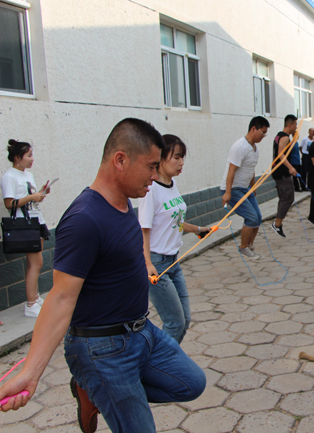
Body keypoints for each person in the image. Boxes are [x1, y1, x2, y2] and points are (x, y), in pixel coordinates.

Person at [0, 119, 206, 432]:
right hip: (102, 348)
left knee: (191, 383)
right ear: (120, 160)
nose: (155, 175)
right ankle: (98, 384)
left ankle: (96, 390)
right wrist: (31, 371)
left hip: (142, 331)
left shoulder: (125, 204)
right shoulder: (84, 219)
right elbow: (60, 298)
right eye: (151, 166)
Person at [139, 135, 208, 344]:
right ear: (160, 158)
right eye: (176, 157)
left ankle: (164, 365)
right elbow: (143, 230)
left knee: (184, 320)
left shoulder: (172, 185)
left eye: (182, 158)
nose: (181, 163)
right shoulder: (150, 190)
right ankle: (157, 366)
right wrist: (148, 263)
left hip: (174, 262)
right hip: (157, 266)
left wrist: (197, 229)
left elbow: (174, 221)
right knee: (175, 323)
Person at [1, 140, 51, 318]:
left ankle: (35, 298)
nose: (32, 159)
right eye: (29, 155)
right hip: (25, 225)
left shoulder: (27, 175)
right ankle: (30, 304)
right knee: (37, 263)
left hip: (37, 221)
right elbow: (9, 204)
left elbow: (32, 200)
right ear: (17, 157)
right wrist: (32, 196)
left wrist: (41, 194)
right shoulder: (9, 176)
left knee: (34, 263)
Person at [221, 116, 269, 259]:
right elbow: (231, 170)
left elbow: (250, 170)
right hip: (234, 189)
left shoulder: (254, 149)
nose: (263, 136)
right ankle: (243, 248)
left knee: (258, 217)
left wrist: (253, 188)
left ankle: (250, 245)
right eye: (262, 132)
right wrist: (227, 192)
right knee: (251, 217)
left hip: (245, 188)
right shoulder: (240, 147)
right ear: (254, 129)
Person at [270, 115, 299, 238]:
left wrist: (294, 137)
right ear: (290, 125)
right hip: (281, 171)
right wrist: (291, 167)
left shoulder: (280, 135)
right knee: (288, 197)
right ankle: (277, 224)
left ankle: (278, 223)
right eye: (295, 125)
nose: (296, 127)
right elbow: (281, 155)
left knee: (284, 197)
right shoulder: (285, 137)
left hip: (278, 170)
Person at [289, 122, 304, 192]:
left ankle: (303, 187)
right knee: (295, 176)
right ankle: (297, 188)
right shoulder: (291, 143)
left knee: (301, 174)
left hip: (298, 161)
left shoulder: (297, 143)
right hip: (293, 161)